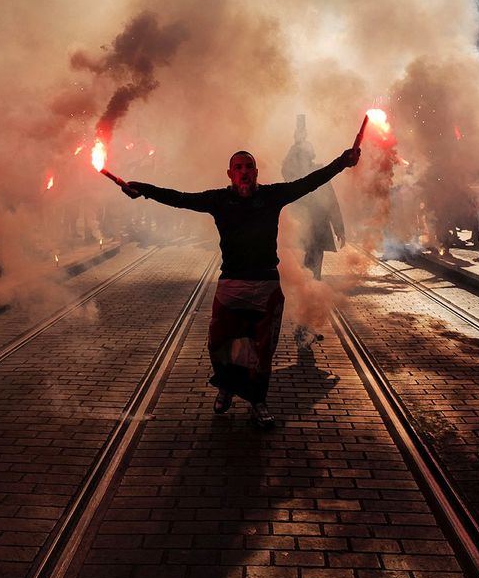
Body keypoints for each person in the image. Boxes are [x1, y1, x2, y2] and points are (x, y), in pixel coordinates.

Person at [121, 145, 360, 428]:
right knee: (219, 343)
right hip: (231, 284)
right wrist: (144, 189)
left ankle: (258, 401)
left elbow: (309, 183)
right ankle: (226, 387)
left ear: (256, 173)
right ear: (230, 174)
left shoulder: (272, 196)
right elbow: (180, 199)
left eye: (249, 168)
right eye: (238, 168)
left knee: (262, 350)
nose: (244, 172)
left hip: (266, 284)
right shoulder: (219, 200)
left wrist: (342, 162)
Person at [281, 115, 346, 280]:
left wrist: (339, 229)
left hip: (317, 229)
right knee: (299, 272)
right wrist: (298, 142)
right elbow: (286, 168)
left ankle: (313, 299)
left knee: (314, 274)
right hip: (298, 229)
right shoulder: (292, 174)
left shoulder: (319, 174)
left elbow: (331, 202)